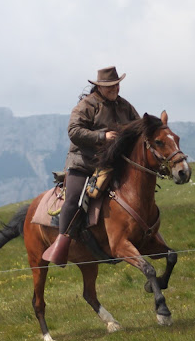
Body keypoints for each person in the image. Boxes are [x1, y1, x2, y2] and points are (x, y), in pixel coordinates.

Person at [42, 66, 140, 266]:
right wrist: (101, 136)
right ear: (99, 87)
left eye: (117, 85)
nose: (115, 89)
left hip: (113, 163)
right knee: (74, 199)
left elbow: (138, 127)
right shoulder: (86, 106)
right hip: (84, 163)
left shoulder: (125, 106)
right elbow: (74, 131)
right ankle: (62, 243)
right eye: (110, 86)